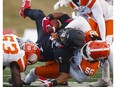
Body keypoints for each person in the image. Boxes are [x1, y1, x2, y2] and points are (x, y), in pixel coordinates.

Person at [19, 0, 86, 86]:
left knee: (32, 58)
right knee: (40, 16)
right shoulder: (70, 25)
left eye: (64, 38)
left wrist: (52, 83)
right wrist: (49, 19)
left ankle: (38, 75)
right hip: (46, 39)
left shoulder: (63, 52)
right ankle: (25, 10)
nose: (61, 36)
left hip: (47, 54)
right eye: (64, 33)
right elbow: (61, 15)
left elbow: (64, 74)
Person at [54, 0, 113, 86]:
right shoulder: (72, 3)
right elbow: (82, 17)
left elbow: (101, 20)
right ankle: (105, 79)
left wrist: (103, 41)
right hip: (95, 19)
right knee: (91, 42)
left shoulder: (89, 1)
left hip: (108, 17)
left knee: (107, 49)